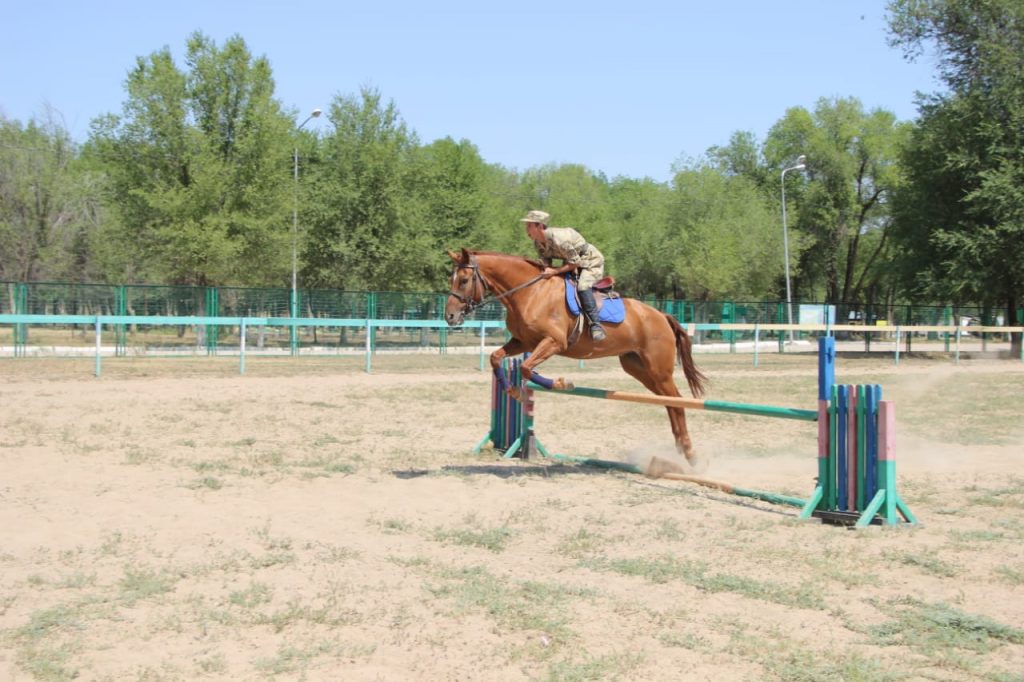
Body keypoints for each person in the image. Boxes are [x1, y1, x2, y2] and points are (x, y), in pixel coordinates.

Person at [520, 209, 607, 341]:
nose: (526, 229)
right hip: (572, 264)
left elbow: (576, 262)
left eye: (529, 225)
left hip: (590, 261)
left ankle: (596, 325)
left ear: (539, 226)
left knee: (582, 287)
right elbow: (546, 262)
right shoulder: (538, 243)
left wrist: (554, 271)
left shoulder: (559, 238)